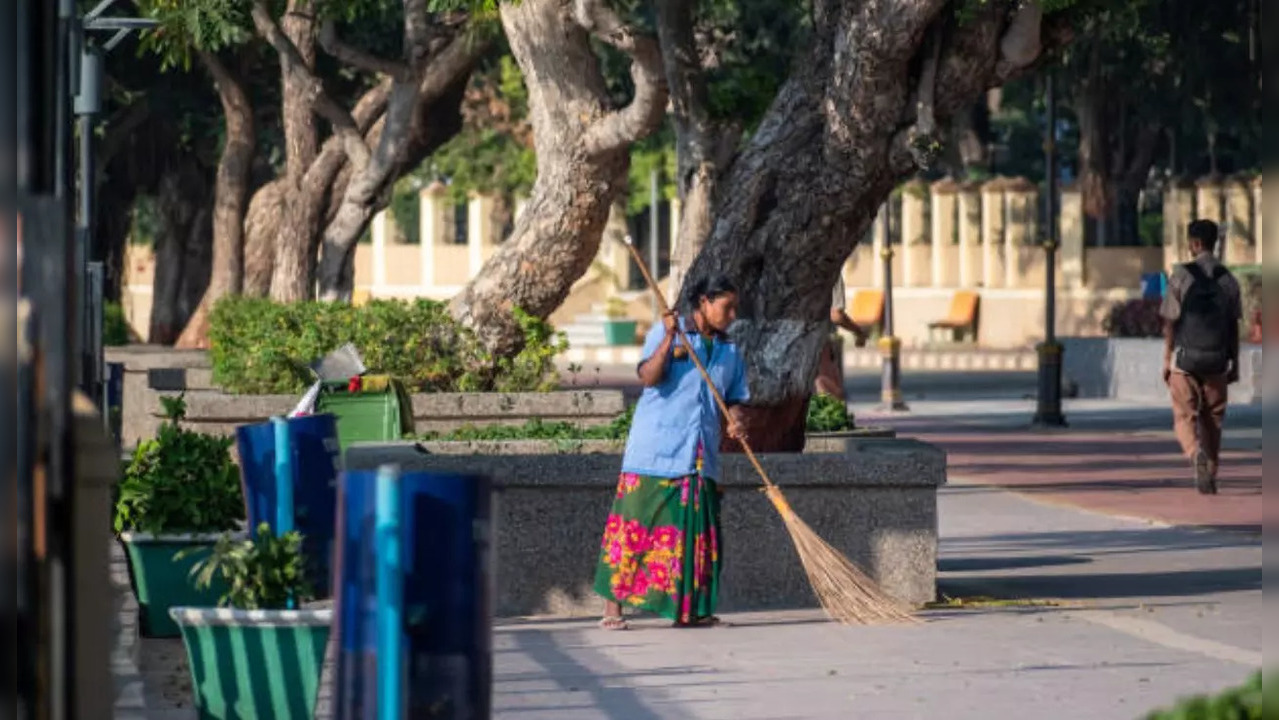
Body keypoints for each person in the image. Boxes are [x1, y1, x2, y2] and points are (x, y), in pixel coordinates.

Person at [595, 273, 749, 629]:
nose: (732, 316)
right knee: (634, 527)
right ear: (704, 303)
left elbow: (736, 399)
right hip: (655, 448)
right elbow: (648, 377)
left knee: (695, 536)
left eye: (735, 308)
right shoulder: (670, 333)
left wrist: (736, 422)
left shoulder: (729, 350)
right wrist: (668, 339)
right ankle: (612, 610)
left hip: (699, 454)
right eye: (726, 308)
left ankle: (691, 609)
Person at [1160, 219, 1242, 495]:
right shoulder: (1229, 280)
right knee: (1213, 420)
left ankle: (1196, 455)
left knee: (1184, 418)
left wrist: (1166, 359)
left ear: (1194, 244)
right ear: (1214, 242)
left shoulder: (1181, 276)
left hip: (1184, 361)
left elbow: (1170, 322)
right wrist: (1235, 363)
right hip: (1217, 360)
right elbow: (1233, 326)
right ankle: (1211, 475)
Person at [814, 272, 869, 400]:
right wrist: (858, 332)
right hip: (818, 344)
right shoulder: (830, 270)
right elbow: (836, 315)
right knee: (827, 390)